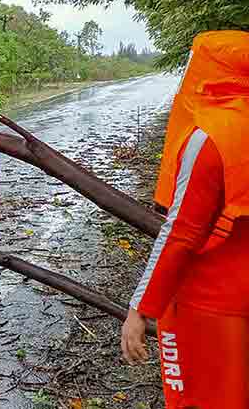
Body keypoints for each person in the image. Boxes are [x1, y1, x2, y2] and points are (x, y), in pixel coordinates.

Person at [121, 30, 249, 408]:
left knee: (194, 398)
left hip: (203, 303)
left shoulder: (209, 138)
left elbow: (181, 232)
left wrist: (140, 308)